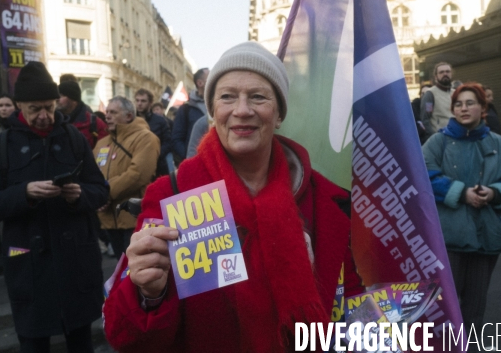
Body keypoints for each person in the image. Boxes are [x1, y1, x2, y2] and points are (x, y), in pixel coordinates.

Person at [102, 41, 363, 352]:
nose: (242, 110)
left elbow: (353, 315)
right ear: (213, 112)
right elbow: (125, 338)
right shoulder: (170, 195)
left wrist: (313, 273)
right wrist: (147, 293)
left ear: (278, 114)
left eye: (258, 97)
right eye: (227, 97)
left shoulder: (326, 201)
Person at [0, 61, 109, 350]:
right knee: (33, 343)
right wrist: (23, 193)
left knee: (81, 341)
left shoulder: (73, 138)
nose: (45, 116)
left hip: (75, 264)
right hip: (28, 266)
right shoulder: (0, 146)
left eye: (50, 107)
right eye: (35, 109)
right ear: (19, 105)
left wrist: (79, 195)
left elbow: (100, 191)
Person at [423, 83, 501, 336]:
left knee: (475, 307)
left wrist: (494, 192)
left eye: (470, 103)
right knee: (442, 307)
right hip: (449, 238)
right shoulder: (438, 142)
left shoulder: (498, 143)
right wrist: (461, 192)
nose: (463, 108)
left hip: (486, 238)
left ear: (483, 108)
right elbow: (423, 175)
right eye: (458, 104)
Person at [94, 96, 160, 259]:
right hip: (108, 219)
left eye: (113, 112)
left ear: (128, 116)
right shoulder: (101, 144)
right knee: (120, 268)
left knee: (137, 270)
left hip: (134, 218)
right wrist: (96, 195)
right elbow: (92, 175)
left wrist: (105, 193)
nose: (107, 116)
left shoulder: (146, 138)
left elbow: (138, 174)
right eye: (107, 112)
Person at [171, 68, 209, 161]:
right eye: (210, 76)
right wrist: (190, 157)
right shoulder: (186, 108)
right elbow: (176, 139)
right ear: (200, 83)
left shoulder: (221, 103)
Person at [57, 80, 108, 149]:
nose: (57, 99)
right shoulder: (53, 121)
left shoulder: (94, 123)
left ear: (74, 100)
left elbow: (105, 150)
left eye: (61, 95)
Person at [135, 89, 172, 176]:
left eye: (143, 101)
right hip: (136, 166)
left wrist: (156, 155)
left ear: (150, 103)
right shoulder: (131, 121)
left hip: (158, 167)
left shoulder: (160, 120)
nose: (139, 103)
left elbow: (168, 142)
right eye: (137, 100)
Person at [420, 62, 454, 136]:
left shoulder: (456, 93)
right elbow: (425, 120)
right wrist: (435, 137)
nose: (445, 74)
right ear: (436, 76)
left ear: (451, 74)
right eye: (441, 72)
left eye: (447, 71)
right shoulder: (430, 94)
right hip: (441, 139)